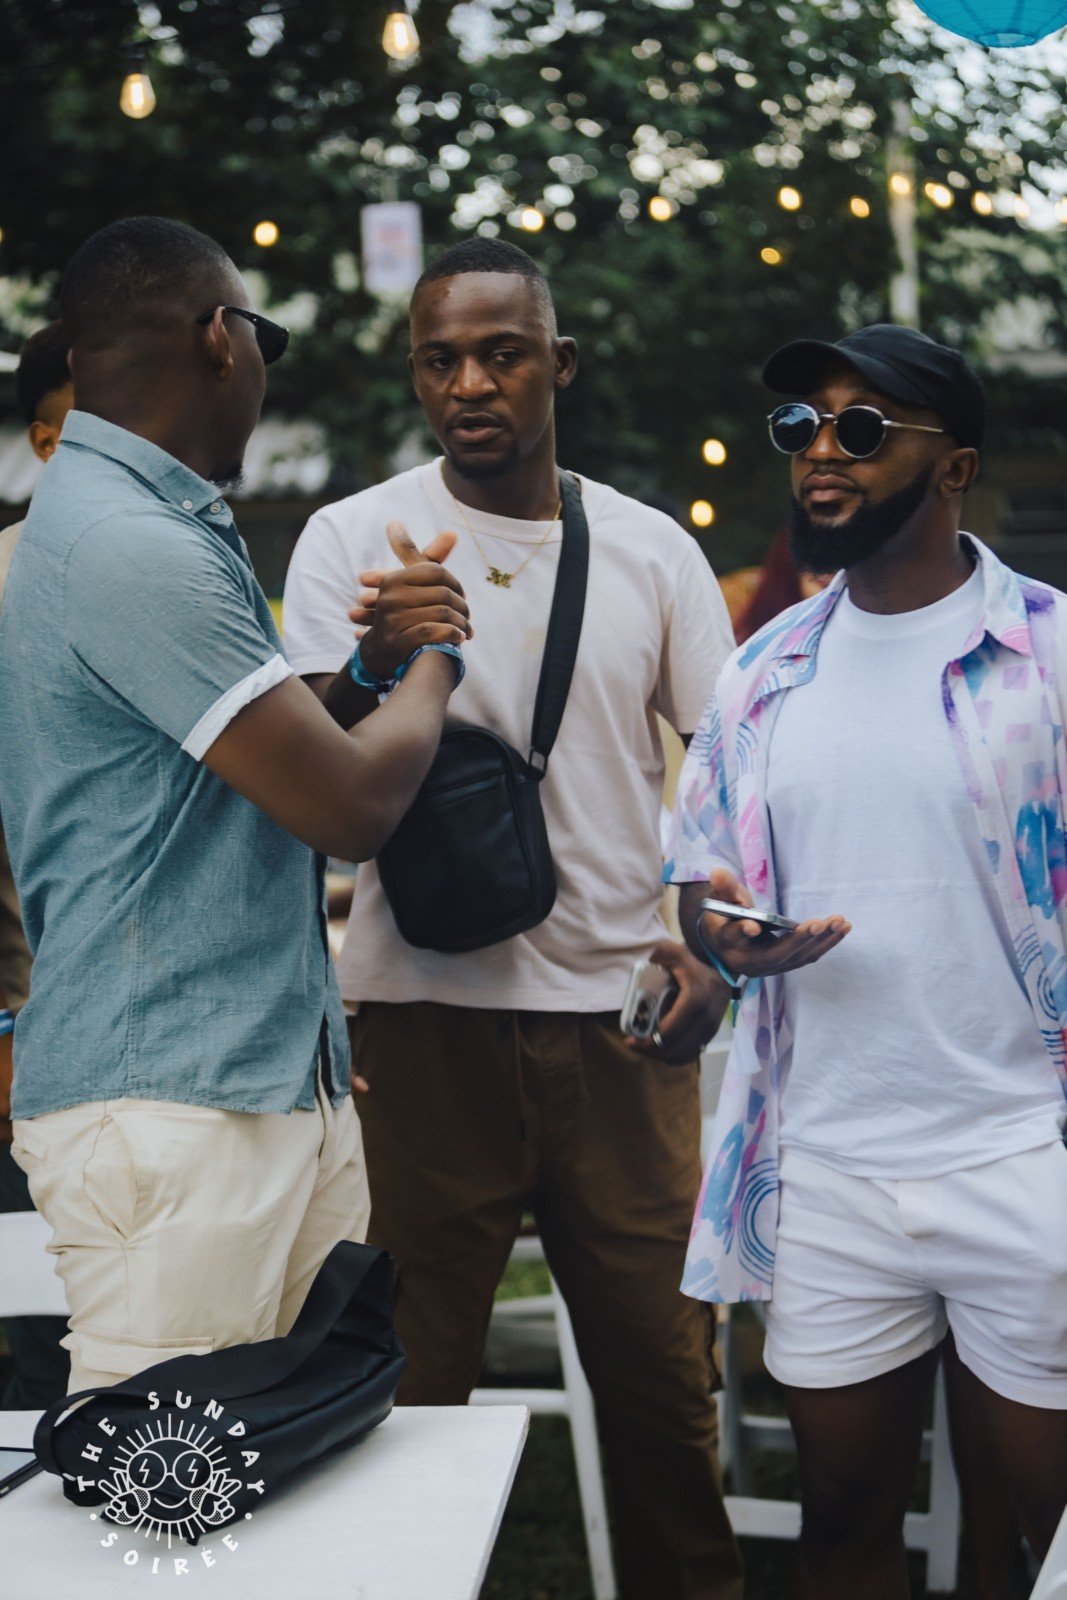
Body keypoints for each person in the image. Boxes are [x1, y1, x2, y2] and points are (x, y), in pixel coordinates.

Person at [282, 237, 744, 1600]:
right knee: (399, 1392)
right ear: (416, 375)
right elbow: (299, 774)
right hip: (420, 1027)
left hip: (618, 1033)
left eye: (501, 354)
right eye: (441, 360)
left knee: (664, 1392)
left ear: (559, 365)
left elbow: (728, 778)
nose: (470, 384)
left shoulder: (649, 548)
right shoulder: (351, 537)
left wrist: (708, 939)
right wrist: (373, 657)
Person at [0, 216, 473, 1393]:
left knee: (285, 1462)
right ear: (220, 337)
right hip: (172, 1110)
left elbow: (251, 755)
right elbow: (350, 808)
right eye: (262, 337)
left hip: (241, 1084)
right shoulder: (127, 544)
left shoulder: (140, 522)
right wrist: (435, 659)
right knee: (165, 1489)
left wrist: (367, 667)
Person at [667, 324, 1067, 1598]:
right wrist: (726, 935)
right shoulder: (762, 668)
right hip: (829, 1162)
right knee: (840, 1515)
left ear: (953, 465)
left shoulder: (1049, 653)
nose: (818, 454)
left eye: (858, 428)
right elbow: (699, 878)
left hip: (1023, 1150)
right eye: (800, 428)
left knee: (1046, 1529)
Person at [0, 321, 74, 1407]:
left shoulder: (185, 562)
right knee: (49, 1350)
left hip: (160, 1050)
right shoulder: (10, 581)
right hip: (35, 1041)